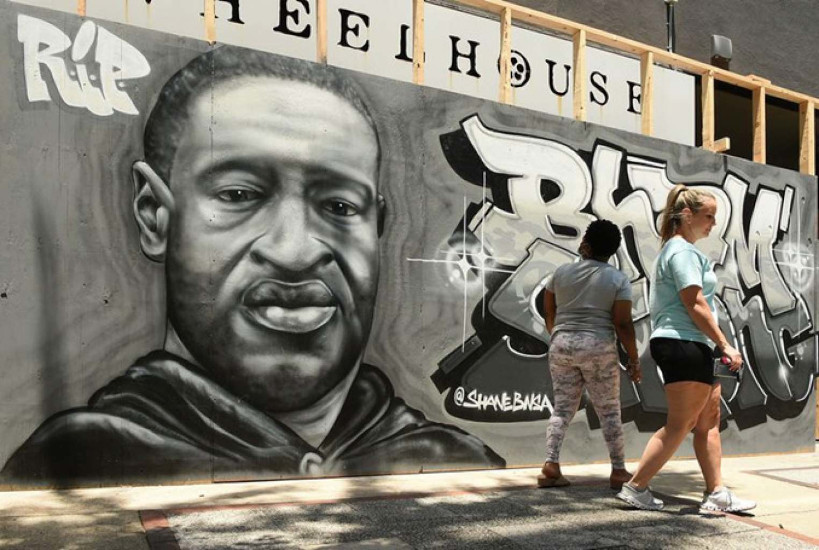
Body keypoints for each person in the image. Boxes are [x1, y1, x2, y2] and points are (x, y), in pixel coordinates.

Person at [1, 46, 504, 487]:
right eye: (239, 195)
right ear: (155, 216)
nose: (295, 252)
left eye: (340, 207)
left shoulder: (455, 457)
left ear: (377, 226)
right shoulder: (79, 459)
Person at [616, 184, 756, 512]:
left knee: (708, 420)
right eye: (709, 216)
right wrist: (725, 343)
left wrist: (714, 344)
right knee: (682, 423)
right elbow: (694, 302)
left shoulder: (683, 250)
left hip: (695, 343)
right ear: (687, 215)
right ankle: (636, 488)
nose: (713, 223)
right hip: (682, 342)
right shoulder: (680, 251)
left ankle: (717, 493)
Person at [539, 220, 641, 490]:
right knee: (608, 411)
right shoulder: (618, 279)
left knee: (562, 408)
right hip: (597, 345)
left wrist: (557, 335)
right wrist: (633, 359)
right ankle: (618, 471)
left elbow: (548, 310)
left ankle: (551, 463)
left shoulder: (560, 273)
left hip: (561, 343)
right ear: (613, 250)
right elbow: (622, 324)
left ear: (586, 243)